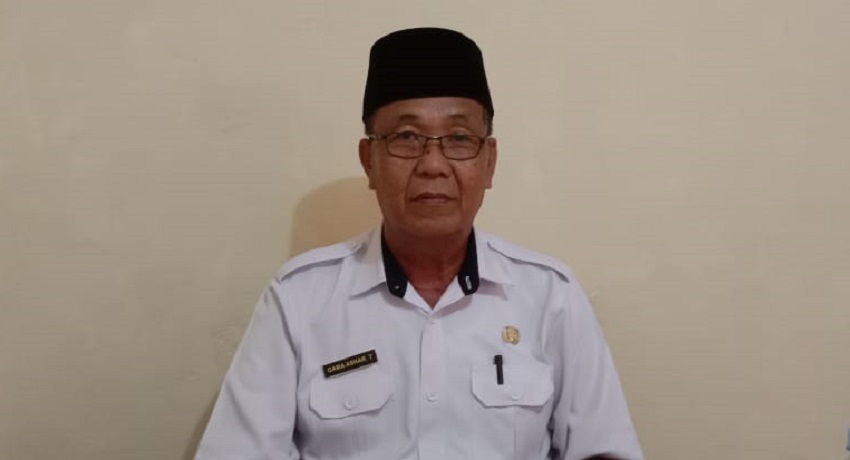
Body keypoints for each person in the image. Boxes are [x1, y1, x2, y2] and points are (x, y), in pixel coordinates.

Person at [194, 27, 644, 460]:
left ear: (489, 162)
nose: (433, 164)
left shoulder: (550, 296)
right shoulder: (299, 299)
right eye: (406, 138)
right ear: (369, 161)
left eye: (459, 139)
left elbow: (604, 452)